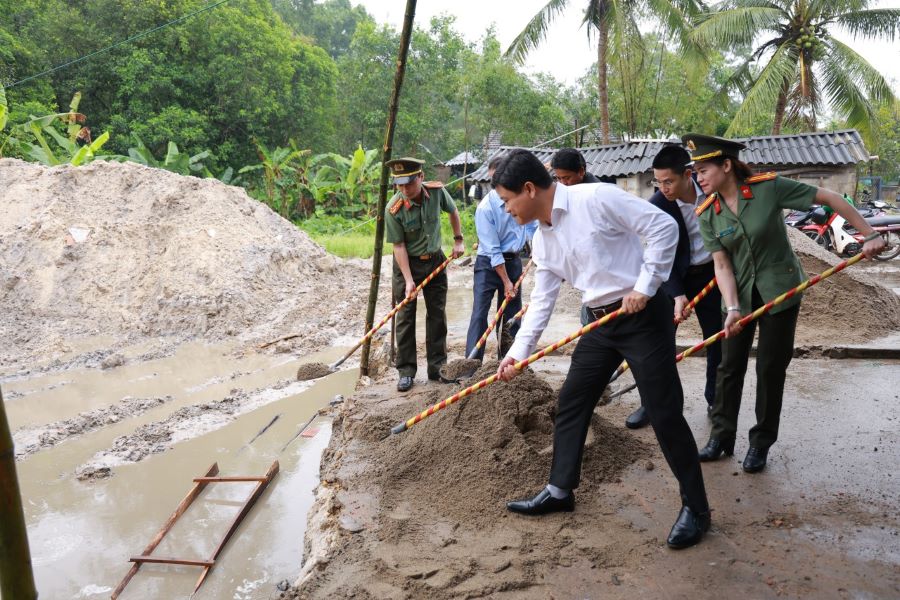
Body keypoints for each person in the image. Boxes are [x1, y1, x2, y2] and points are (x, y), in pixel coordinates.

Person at [494, 149, 711, 549]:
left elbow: (664, 227)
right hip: (600, 324)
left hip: (643, 318)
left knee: (663, 412)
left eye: (507, 201)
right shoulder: (542, 239)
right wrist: (518, 354)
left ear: (529, 189)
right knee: (572, 401)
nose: (507, 210)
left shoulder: (595, 198)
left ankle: (696, 508)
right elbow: (541, 301)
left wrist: (646, 286)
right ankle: (560, 490)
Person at [685, 133, 886, 473]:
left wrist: (869, 234)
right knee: (728, 368)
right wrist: (732, 308)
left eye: (703, 170)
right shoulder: (707, 213)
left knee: (770, 367)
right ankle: (721, 437)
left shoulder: (768, 189)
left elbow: (830, 198)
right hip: (739, 297)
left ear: (726, 165)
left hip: (780, 291)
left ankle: (760, 442)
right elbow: (722, 265)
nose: (698, 178)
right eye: (696, 172)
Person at [623, 145, 723, 430]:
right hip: (673, 277)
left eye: (669, 181)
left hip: (713, 275)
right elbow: (659, 256)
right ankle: (654, 403)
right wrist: (677, 294)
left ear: (688, 175)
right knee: (657, 344)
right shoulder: (657, 205)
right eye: (658, 182)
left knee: (717, 340)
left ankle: (716, 399)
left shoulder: (713, 192)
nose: (663, 188)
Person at [385, 157, 465, 392]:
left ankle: (437, 367)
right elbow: (398, 246)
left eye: (409, 184)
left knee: (437, 314)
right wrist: (409, 281)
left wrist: (458, 240)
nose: (404, 190)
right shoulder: (393, 209)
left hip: (435, 260)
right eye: (399, 185)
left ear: (420, 177)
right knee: (405, 317)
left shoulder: (437, 192)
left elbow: (453, 211)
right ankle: (406, 371)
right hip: (406, 265)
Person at [465, 156, 538, 360]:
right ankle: (471, 365)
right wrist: (506, 282)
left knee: (512, 314)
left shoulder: (521, 199)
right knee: (480, 313)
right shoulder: (485, 208)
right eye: (493, 180)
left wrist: (536, 247)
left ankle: (509, 360)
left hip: (513, 260)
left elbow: (532, 226)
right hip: (488, 264)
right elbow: (493, 251)